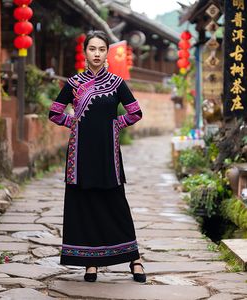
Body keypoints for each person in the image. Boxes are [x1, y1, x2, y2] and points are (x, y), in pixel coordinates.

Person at [49, 30, 146, 283]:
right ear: (85, 52)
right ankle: (89, 262)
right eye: (92, 49)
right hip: (79, 156)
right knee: (84, 205)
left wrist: (115, 124)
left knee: (116, 204)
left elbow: (135, 112)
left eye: (102, 49)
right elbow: (55, 113)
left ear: (107, 53)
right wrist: (75, 123)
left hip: (108, 155)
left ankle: (134, 259)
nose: (97, 54)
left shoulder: (116, 83)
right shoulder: (73, 83)